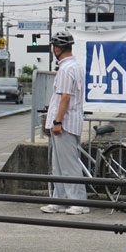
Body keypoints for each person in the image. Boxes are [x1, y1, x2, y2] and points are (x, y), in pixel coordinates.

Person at [40, 31, 87, 215]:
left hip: (65, 123)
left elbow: (65, 98)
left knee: (69, 165)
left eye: (54, 47)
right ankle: (59, 201)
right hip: (67, 121)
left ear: (57, 49)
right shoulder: (75, 66)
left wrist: (57, 121)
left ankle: (79, 203)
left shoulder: (66, 69)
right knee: (58, 165)